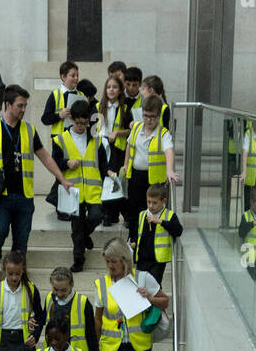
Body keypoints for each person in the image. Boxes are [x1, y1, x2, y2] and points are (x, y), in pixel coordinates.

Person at [0, 85, 75, 280]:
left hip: (24, 196)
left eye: (25, 105)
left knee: (22, 239)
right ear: (7, 105)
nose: (23, 110)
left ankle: (18, 272)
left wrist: (63, 179)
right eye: (20, 105)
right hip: (1, 195)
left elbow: (45, 157)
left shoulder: (29, 130)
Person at [51, 98, 107, 273]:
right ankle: (78, 260)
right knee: (76, 229)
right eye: (78, 123)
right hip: (72, 190)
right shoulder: (61, 139)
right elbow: (54, 163)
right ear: (71, 119)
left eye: (85, 123)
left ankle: (86, 235)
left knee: (96, 216)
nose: (82, 126)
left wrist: (108, 181)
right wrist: (66, 163)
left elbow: (104, 164)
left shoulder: (96, 139)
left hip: (94, 190)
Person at [122, 95, 178, 244]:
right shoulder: (136, 128)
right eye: (145, 116)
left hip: (153, 180)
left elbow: (169, 151)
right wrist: (126, 164)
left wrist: (169, 170)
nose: (148, 120)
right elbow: (129, 146)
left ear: (158, 116)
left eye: (152, 116)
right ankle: (132, 239)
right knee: (134, 210)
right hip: (136, 176)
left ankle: (147, 241)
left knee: (150, 210)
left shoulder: (163, 133)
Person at [43, 266, 99, 351]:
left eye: (64, 290)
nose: (60, 294)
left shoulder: (82, 302)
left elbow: (91, 332)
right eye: (56, 289)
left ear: (72, 284)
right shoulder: (49, 298)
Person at [133, 181, 182, 285]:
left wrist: (161, 222)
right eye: (148, 202)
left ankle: (157, 301)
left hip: (158, 261)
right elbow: (136, 233)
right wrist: (133, 242)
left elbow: (178, 230)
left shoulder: (169, 215)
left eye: (154, 203)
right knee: (140, 287)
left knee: (153, 287)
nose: (151, 206)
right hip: (142, 259)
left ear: (163, 201)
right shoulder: (142, 214)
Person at [97, 72, 130, 228]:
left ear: (120, 90)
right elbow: (93, 130)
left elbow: (131, 131)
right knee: (105, 179)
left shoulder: (124, 108)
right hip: (103, 148)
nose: (111, 90)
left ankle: (116, 213)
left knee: (116, 179)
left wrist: (117, 133)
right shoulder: (98, 106)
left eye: (114, 87)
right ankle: (106, 214)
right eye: (108, 87)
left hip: (118, 149)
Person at [40, 60, 80, 136]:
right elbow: (45, 119)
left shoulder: (81, 95)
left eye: (77, 75)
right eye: (73, 76)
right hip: (59, 140)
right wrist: (59, 115)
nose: (76, 78)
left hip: (76, 138)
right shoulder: (55, 95)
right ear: (63, 77)